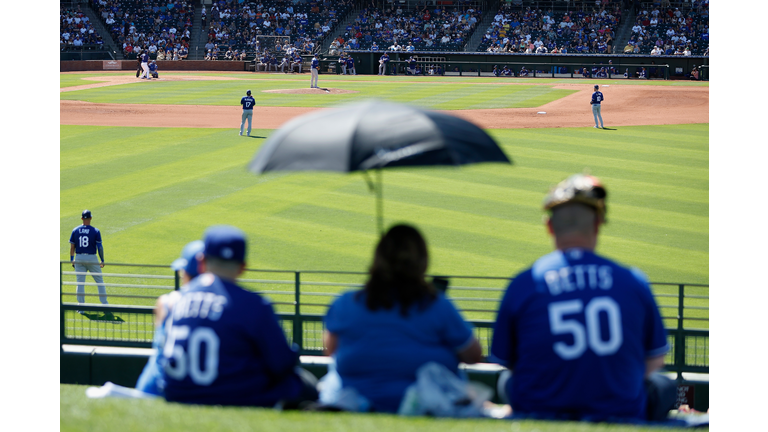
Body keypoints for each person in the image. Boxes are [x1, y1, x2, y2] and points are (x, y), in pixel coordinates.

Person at [490, 174, 676, 422]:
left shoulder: (523, 283)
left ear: (549, 226)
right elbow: (654, 360)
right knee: (662, 386)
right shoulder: (633, 281)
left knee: (507, 382)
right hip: (617, 413)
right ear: (598, 223)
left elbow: (507, 361)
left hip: (540, 414)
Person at [323, 224, 483, 413]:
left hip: (357, 403)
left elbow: (330, 350)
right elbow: (473, 356)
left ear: (378, 260)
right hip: (427, 406)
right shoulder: (438, 305)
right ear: (422, 262)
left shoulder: (344, 303)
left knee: (330, 379)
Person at [163, 225, 318, 407]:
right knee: (305, 384)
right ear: (243, 267)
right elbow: (282, 363)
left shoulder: (177, 300)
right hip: (234, 397)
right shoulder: (253, 304)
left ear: (201, 261)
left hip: (177, 394)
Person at [136, 240, 205, 395]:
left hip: (153, 388)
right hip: (201, 391)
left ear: (185, 273)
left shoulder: (166, 303)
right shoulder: (225, 307)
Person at [69, 210, 109, 310]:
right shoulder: (95, 231)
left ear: (82, 218)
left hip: (79, 258)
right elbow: (99, 247)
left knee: (80, 283)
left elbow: (72, 247)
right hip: (92, 258)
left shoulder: (75, 230)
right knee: (99, 281)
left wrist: (72, 259)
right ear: (91, 218)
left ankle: (81, 307)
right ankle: (105, 305)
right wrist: (102, 259)